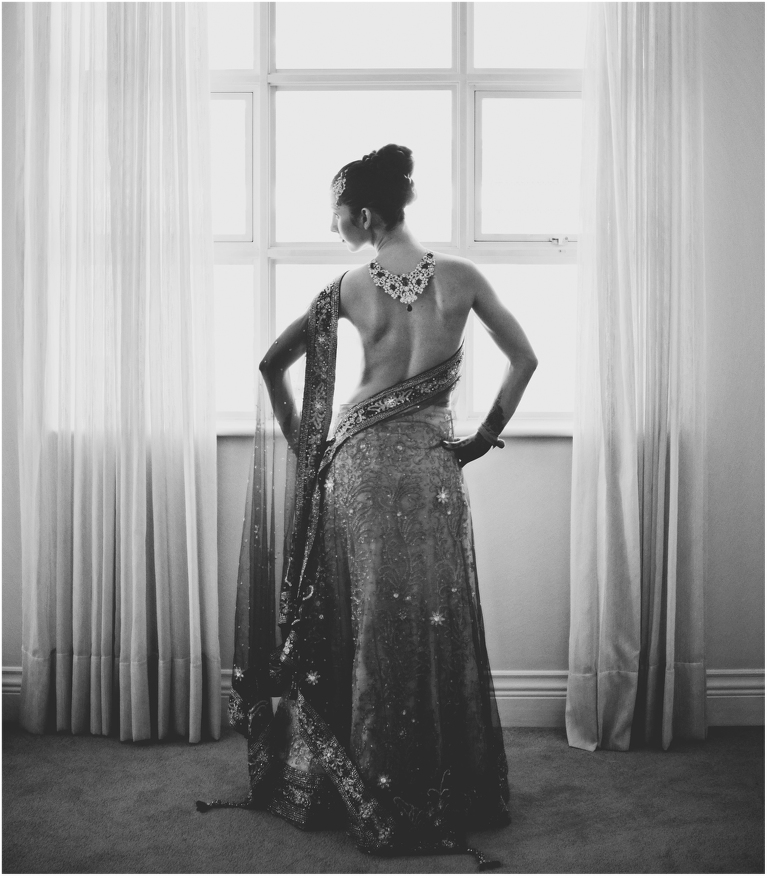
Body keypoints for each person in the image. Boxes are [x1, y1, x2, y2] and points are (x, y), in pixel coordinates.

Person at [199, 144, 537, 870]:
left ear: (365, 214)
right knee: (432, 618)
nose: (335, 226)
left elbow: (270, 365)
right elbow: (525, 359)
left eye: (337, 214)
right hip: (433, 468)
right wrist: (482, 439)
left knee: (360, 619)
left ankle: (363, 780)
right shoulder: (463, 278)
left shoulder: (348, 288)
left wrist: (305, 444)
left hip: (357, 468)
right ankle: (447, 782)